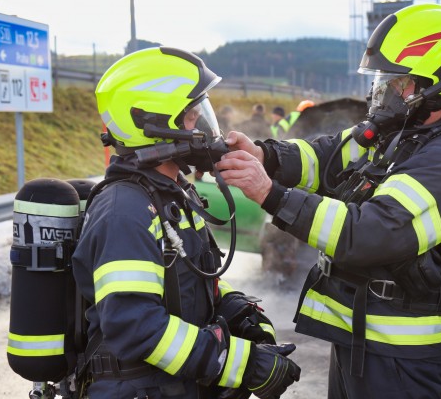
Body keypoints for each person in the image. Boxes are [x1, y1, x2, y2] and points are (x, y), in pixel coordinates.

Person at [216, 4, 441, 399]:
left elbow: (368, 233)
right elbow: (326, 158)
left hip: (405, 360)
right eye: (384, 78)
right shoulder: (401, 134)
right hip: (363, 340)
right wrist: (266, 156)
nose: (385, 90)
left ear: (439, 82)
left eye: (399, 82)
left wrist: (270, 194)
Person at [72, 47, 300, 399]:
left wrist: (238, 311)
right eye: (193, 116)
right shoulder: (125, 210)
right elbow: (135, 325)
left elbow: (193, 278)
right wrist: (240, 364)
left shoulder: (173, 196)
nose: (206, 128)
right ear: (153, 123)